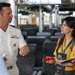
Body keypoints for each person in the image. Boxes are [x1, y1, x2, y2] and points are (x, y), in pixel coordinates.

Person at [0, 2, 30, 75]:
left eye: (11, 13)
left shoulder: (16, 31)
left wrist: (25, 50)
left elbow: (25, 47)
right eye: (8, 14)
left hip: (13, 71)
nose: (12, 16)